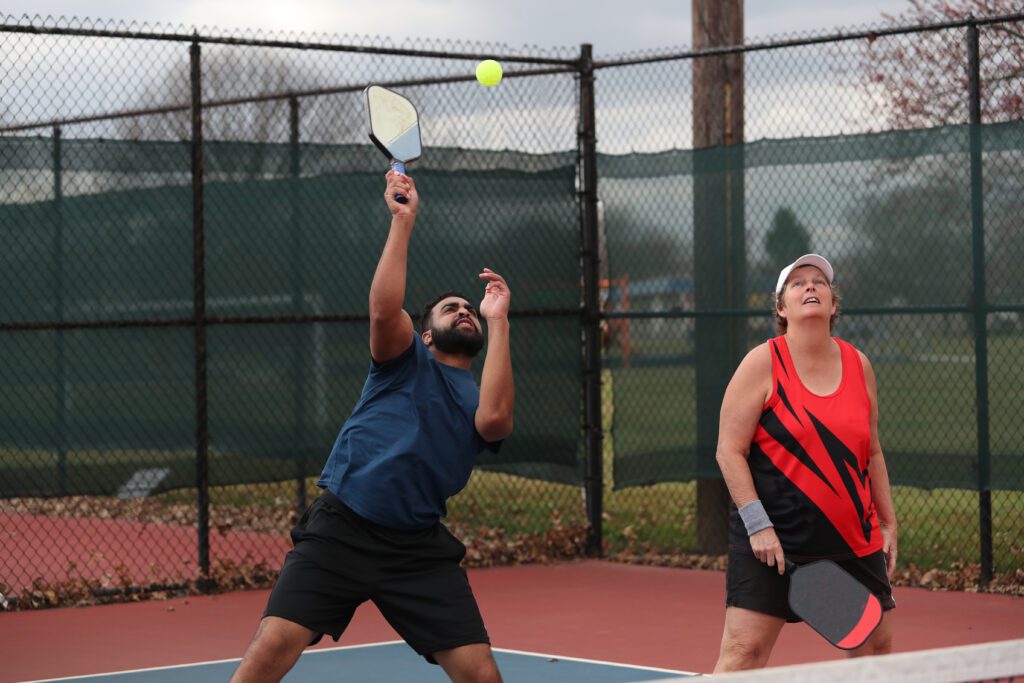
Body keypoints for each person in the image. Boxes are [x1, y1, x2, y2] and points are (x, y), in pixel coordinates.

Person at [230, 171, 514, 683]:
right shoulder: (403, 358)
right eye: (454, 308)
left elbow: (495, 422)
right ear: (427, 334)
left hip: (417, 549)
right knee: (271, 647)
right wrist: (403, 221)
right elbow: (384, 310)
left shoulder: (477, 397)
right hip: (343, 528)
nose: (466, 311)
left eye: (470, 308)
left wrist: (499, 320)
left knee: (481, 674)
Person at [713, 254, 898, 672]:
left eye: (820, 282)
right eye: (797, 284)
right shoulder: (762, 363)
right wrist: (758, 526)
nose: (811, 287)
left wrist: (888, 523)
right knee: (744, 654)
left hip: (852, 542)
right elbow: (729, 450)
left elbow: (872, 452)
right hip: (774, 546)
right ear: (781, 308)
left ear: (834, 305)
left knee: (875, 651)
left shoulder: (859, 364)